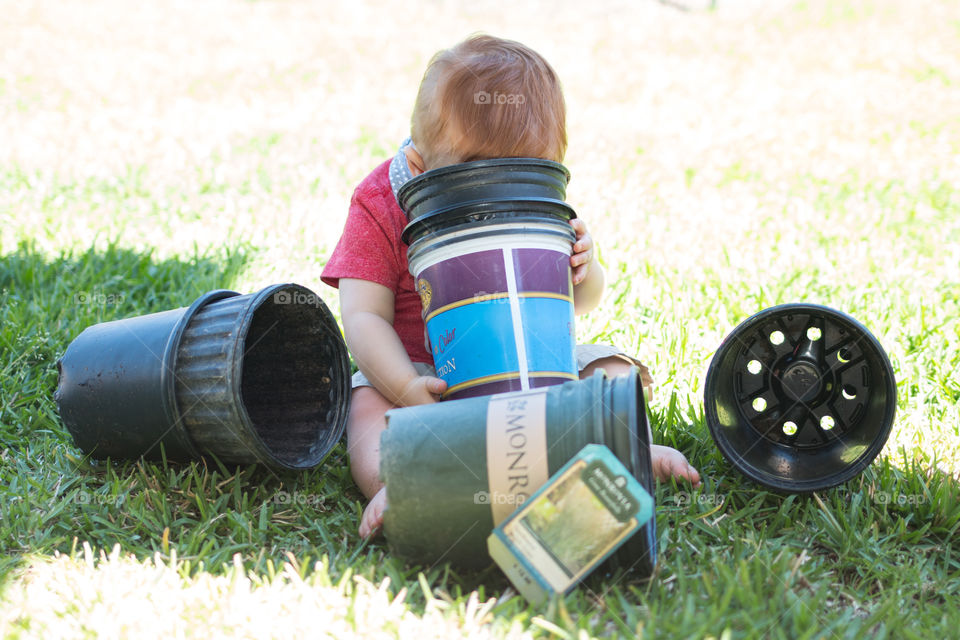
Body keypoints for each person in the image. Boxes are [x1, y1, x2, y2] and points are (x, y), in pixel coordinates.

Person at [321, 34, 701, 539]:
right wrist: (405, 387)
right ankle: (402, 481)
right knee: (365, 409)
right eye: (476, 180)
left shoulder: (536, 201)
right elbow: (363, 316)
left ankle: (621, 448)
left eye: (522, 177)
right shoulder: (379, 201)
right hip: (424, 375)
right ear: (419, 170)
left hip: (532, 364)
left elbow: (578, 306)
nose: (502, 198)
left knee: (611, 371)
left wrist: (585, 269)